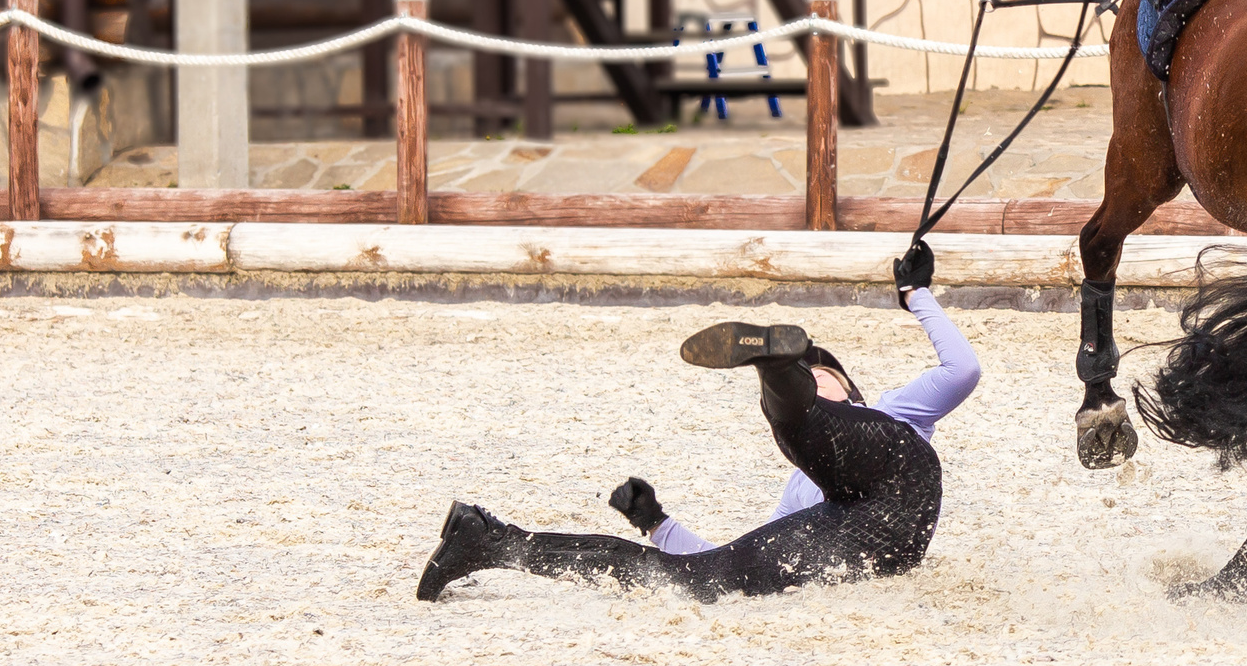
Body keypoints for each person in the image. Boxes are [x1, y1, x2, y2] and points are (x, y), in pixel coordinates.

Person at [414, 242, 976, 603]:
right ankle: (493, 543)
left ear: (847, 384)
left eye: (819, 373)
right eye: (805, 373)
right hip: (844, 541)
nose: (819, 380)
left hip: (900, 488)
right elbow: (724, 560)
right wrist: (654, 522)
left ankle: (778, 364)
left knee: (815, 426)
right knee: (696, 581)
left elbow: (963, 369)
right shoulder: (799, 488)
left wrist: (916, 295)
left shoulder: (895, 412)